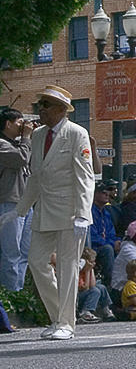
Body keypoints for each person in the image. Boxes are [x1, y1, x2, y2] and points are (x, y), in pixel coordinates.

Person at [15, 85, 94, 341]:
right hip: (44, 210)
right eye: (41, 105)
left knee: (68, 266)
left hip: (71, 211)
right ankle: (58, 317)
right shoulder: (38, 135)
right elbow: (36, 177)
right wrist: (20, 209)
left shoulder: (77, 133)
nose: (42, 109)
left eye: (47, 105)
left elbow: (86, 176)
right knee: (37, 262)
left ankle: (67, 324)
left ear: (62, 110)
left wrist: (83, 213)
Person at [0, 107, 33, 291]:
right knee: (11, 252)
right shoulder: (2, 144)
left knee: (25, 252)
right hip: (9, 204)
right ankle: (9, 296)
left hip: (26, 204)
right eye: (20, 122)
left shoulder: (20, 144)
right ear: (8, 124)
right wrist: (27, 137)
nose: (23, 126)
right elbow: (21, 158)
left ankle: (18, 292)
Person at [89, 179, 120, 287]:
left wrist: (117, 242)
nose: (107, 194)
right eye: (103, 192)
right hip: (93, 248)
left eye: (107, 192)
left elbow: (111, 233)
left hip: (107, 245)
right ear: (94, 194)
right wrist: (112, 244)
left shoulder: (106, 213)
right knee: (108, 249)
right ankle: (108, 286)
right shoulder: (89, 211)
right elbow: (92, 237)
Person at [76, 247, 114, 323]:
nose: (94, 264)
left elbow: (92, 284)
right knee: (95, 290)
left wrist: (91, 270)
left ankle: (105, 309)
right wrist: (87, 271)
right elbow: (85, 287)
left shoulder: (89, 270)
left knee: (101, 287)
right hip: (78, 298)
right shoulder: (79, 272)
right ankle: (85, 312)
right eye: (91, 262)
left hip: (86, 293)